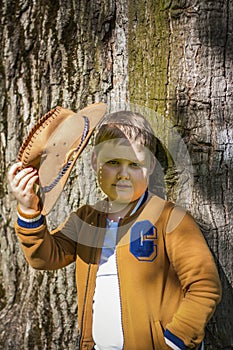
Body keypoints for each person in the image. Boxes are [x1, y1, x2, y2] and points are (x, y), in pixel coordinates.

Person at [8, 110, 221, 350]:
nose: (123, 174)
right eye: (112, 162)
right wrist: (28, 209)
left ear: (150, 166)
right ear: (95, 162)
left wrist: (176, 339)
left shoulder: (169, 219)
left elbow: (204, 285)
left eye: (134, 164)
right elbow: (45, 257)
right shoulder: (84, 220)